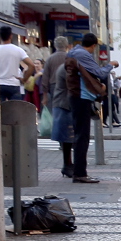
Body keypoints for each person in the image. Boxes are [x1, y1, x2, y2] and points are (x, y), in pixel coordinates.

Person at [64, 33, 116, 183]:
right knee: (82, 136)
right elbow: (99, 72)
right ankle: (80, 173)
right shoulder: (82, 54)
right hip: (81, 97)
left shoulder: (73, 52)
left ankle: (79, 171)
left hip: (77, 96)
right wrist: (111, 64)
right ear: (93, 46)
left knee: (81, 135)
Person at [41, 37, 74, 178]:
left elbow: (45, 77)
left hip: (55, 90)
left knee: (59, 120)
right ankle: (67, 157)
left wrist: (45, 95)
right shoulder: (69, 59)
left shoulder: (50, 59)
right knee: (67, 124)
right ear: (67, 46)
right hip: (66, 92)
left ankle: (63, 144)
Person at [0, 26, 33, 102]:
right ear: (11, 36)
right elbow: (31, 65)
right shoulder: (18, 50)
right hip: (14, 84)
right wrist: (24, 79)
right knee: (15, 109)